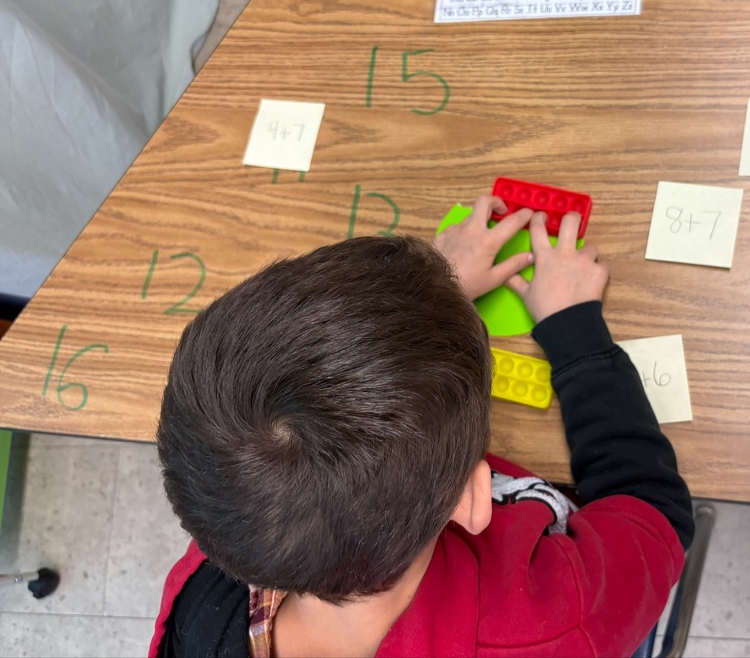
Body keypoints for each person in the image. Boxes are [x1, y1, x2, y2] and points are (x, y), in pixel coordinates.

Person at [150, 195, 695, 657]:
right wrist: (577, 336)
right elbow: (656, 511)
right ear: (472, 499)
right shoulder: (555, 620)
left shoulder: (205, 594)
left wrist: (426, 303)